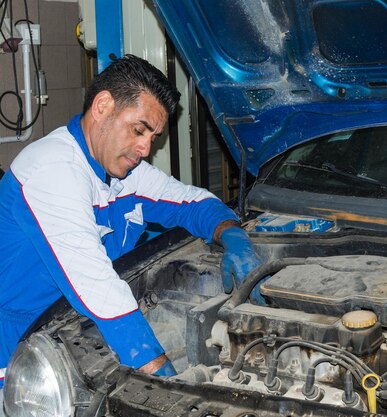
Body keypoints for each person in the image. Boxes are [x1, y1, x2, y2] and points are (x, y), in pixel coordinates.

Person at [0, 55, 262, 385]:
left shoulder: (125, 173)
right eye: (139, 130)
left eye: (153, 137)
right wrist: (161, 375)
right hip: (13, 340)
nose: (144, 148)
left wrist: (231, 233)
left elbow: (191, 202)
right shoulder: (52, 170)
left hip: (73, 326)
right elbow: (97, 286)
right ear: (102, 107)